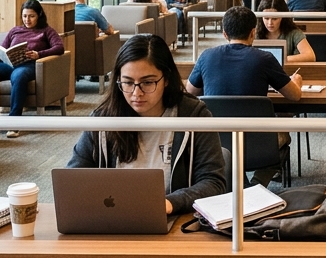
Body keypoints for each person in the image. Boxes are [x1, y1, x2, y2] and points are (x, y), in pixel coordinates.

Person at [66, 35, 227, 216]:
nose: (136, 93)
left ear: (166, 79)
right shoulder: (103, 119)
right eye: (127, 82)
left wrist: (170, 203)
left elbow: (213, 183)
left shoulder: (193, 116)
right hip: (112, 220)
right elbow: (72, 178)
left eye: (148, 82)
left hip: (174, 222)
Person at [186, 7, 302, 184]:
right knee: (283, 137)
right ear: (253, 32)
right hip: (258, 141)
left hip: (215, 142)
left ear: (225, 34)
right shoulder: (265, 58)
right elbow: (294, 96)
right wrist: (297, 80)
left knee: (233, 148)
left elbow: (190, 93)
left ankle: (240, 186)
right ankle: (255, 187)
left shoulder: (206, 56)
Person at [0, 0, 66, 136]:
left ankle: (14, 123)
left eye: (31, 16)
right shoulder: (15, 30)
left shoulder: (46, 31)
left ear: (39, 15)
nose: (27, 20)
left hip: (29, 66)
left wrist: (39, 54)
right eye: (25, 16)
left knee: (18, 76)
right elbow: (3, 48)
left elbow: (60, 48)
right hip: (9, 64)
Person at [256, 0, 316, 65]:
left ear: (282, 17)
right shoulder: (255, 33)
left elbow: (310, 56)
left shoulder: (294, 33)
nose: (270, 23)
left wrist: (281, 59)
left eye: (274, 19)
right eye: (266, 18)